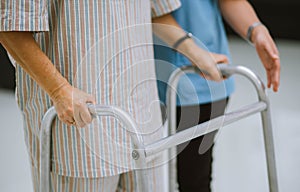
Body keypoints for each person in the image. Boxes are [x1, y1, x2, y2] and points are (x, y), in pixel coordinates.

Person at [0, 0, 227, 191]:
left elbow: (157, 10)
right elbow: (10, 27)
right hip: (79, 127)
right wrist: (59, 90)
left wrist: (195, 52)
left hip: (142, 122)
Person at [154, 0, 281, 191]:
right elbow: (150, 9)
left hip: (204, 77)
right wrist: (193, 52)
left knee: (194, 179)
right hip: (137, 74)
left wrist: (257, 31)